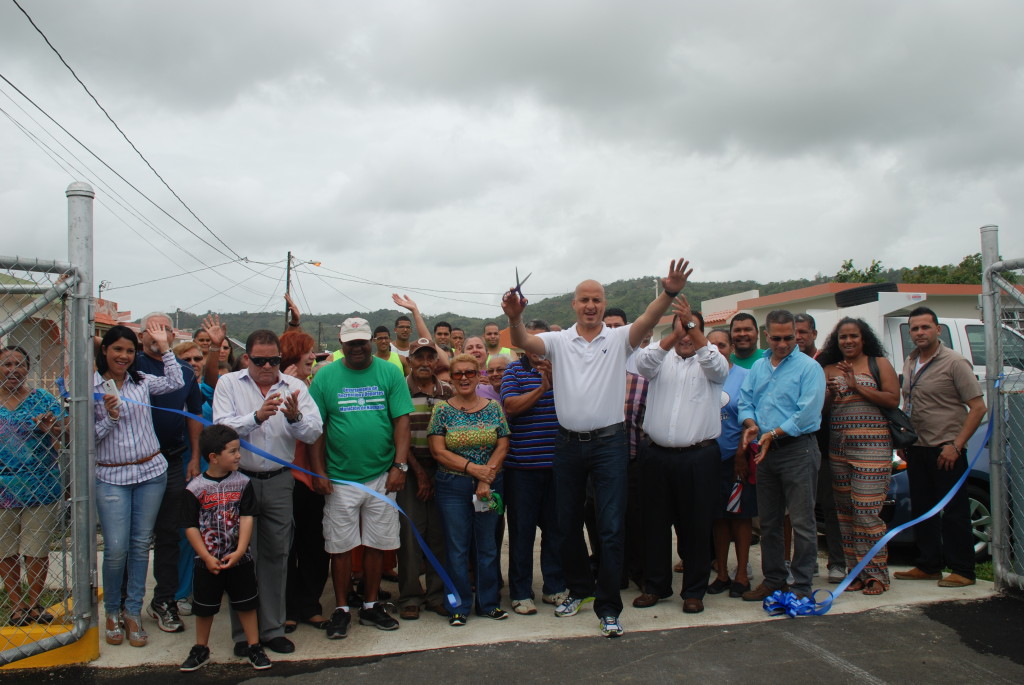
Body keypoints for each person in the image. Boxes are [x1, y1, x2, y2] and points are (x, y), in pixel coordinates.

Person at [502, 257, 693, 638]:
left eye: (597, 300)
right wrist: (513, 317)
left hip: (609, 443)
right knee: (565, 525)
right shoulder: (558, 341)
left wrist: (670, 291)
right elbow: (523, 341)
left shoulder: (620, 339)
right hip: (567, 444)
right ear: (573, 304)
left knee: (609, 528)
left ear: (604, 305)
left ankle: (608, 607)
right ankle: (580, 590)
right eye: (584, 299)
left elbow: (649, 318)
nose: (591, 305)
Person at [211, 329, 323, 656]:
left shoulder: (296, 387)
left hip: (279, 481)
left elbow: (314, 431)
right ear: (247, 358)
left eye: (273, 360)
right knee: (242, 557)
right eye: (259, 360)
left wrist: (295, 417)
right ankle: (244, 635)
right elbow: (221, 430)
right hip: (238, 480)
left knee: (276, 555)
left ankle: (273, 628)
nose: (267, 366)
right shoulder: (229, 384)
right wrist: (256, 417)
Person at [309, 317, 412, 639]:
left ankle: (370, 605)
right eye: (350, 342)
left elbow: (401, 423)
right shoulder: (325, 377)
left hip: (381, 475)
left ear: (370, 341)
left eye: (361, 341)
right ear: (341, 343)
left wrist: (399, 466)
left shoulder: (389, 372)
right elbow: (316, 430)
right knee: (340, 547)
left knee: (376, 545)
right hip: (340, 479)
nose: (357, 347)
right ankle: (341, 609)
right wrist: (319, 472)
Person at [632, 302, 728, 614]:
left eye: (691, 329)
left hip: (698, 458)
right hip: (656, 456)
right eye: (679, 328)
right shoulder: (660, 360)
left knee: (696, 525)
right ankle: (656, 586)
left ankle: (694, 590)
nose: (685, 335)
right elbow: (643, 363)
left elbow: (717, 368)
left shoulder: (712, 360)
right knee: (654, 524)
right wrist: (674, 334)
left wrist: (694, 330)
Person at [94, 324, 184, 647]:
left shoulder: (142, 381)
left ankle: (132, 612)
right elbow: (88, 438)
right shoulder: (92, 387)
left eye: (130, 351)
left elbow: (177, 382)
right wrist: (110, 417)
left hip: (151, 474)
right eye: (117, 349)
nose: (124, 356)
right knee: (116, 548)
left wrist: (163, 347)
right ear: (105, 350)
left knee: (141, 543)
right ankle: (112, 611)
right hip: (111, 477)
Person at [894, 306, 986, 588]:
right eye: (914, 328)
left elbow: (977, 407)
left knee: (954, 512)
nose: (920, 333)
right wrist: (904, 440)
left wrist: (957, 445)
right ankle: (929, 565)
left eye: (925, 327)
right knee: (923, 509)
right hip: (918, 447)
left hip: (946, 450)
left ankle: (963, 570)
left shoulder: (955, 362)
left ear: (937, 329)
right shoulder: (911, 362)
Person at [738, 310, 825, 602]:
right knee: (769, 522)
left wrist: (773, 433)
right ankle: (773, 580)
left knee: (802, 522)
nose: (784, 344)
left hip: (798, 450)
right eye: (776, 338)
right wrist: (750, 424)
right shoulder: (759, 368)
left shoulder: (809, 368)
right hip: (765, 454)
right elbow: (745, 401)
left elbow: (807, 413)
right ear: (766, 335)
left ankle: (801, 586)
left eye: (790, 337)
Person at [179, 424, 271, 672]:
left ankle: (254, 645)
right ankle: (201, 648)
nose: (238, 455)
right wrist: (206, 556)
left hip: (239, 559)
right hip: (206, 561)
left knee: (246, 603)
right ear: (213, 457)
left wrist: (241, 550)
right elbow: (190, 526)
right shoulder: (195, 488)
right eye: (232, 451)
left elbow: (247, 517)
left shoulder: (243, 483)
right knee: (205, 606)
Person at [428, 354, 511, 626]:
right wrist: (472, 470)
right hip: (452, 486)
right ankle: (459, 605)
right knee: (457, 547)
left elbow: (502, 444)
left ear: (478, 375)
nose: (464, 378)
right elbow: (438, 451)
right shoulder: (442, 411)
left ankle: (488, 604)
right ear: (451, 378)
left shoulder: (493, 407)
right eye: (458, 374)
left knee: (487, 545)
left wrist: (486, 477)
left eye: (469, 373)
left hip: (489, 484)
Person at [818, 317, 900, 595]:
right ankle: (855, 573)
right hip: (839, 448)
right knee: (844, 514)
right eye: (843, 337)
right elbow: (823, 411)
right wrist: (830, 392)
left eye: (854, 336)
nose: (848, 341)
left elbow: (892, 399)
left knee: (867, 512)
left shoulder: (879, 364)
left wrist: (857, 386)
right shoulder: (828, 368)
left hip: (873, 448)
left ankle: (877, 574)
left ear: (863, 339)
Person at [134, 312, 203, 634]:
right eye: (152, 329)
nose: (158, 334)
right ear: (140, 336)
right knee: (132, 538)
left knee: (170, 534)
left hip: (174, 461)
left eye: (164, 329)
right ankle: (125, 604)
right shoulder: (130, 366)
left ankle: (164, 600)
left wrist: (194, 456)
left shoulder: (184, 372)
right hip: (135, 464)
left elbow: (192, 414)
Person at [500, 322, 567, 616]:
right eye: (533, 343)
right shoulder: (514, 371)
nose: (538, 349)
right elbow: (511, 407)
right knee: (522, 532)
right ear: (524, 346)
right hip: (522, 468)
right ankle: (521, 592)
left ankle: (554, 587)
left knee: (556, 531)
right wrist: (543, 388)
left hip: (559, 466)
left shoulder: (565, 368)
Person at [1, 346, 64, 627]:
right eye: (6, 364)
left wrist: (52, 427)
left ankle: (36, 604)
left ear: (28, 369)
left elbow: (66, 433)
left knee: (36, 549)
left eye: (18, 365)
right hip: (2, 487)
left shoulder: (42, 399)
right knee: (6, 550)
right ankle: (17, 605)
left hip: (40, 484)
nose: (12, 370)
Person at [278, 330, 331, 633]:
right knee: (286, 546)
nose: (313, 357)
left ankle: (309, 604)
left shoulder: (309, 384)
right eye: (308, 352)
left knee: (313, 543)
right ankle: (286, 606)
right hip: (286, 475)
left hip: (311, 475)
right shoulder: (278, 385)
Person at [397, 338, 453, 620]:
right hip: (410, 469)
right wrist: (419, 474)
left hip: (443, 470)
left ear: (436, 362)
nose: (424, 363)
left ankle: (436, 594)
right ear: (409, 360)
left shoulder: (448, 392)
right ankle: (409, 595)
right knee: (410, 534)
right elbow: (398, 437)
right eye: (418, 358)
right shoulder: (400, 391)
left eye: (430, 358)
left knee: (439, 534)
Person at [794, 312, 846, 584]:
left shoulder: (827, 361)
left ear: (814, 334)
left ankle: (837, 562)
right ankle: (808, 561)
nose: (799, 337)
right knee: (802, 510)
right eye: (795, 332)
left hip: (825, 446)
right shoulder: (786, 363)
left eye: (804, 332)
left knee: (829, 506)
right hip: (796, 446)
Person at [705, 329, 754, 599]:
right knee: (718, 518)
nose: (717, 350)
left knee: (740, 516)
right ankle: (721, 573)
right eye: (711, 345)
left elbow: (748, 415)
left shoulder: (745, 377)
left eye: (722, 345)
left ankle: (742, 574)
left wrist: (740, 453)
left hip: (736, 460)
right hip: (709, 459)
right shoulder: (703, 375)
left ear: (732, 347)